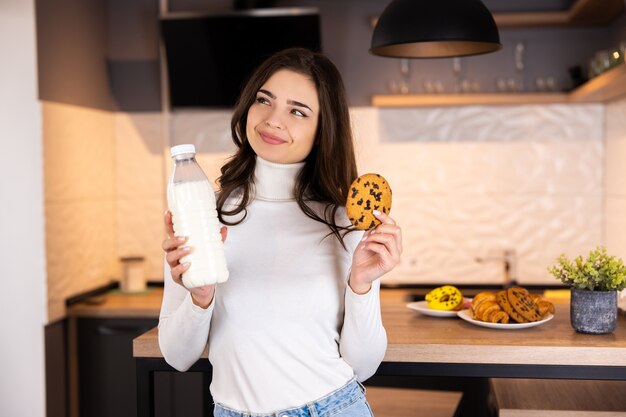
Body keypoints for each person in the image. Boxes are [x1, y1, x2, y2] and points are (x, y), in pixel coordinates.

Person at [159, 47, 403, 417]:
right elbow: (177, 357)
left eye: (297, 111)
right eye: (264, 100)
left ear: (323, 130)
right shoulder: (202, 215)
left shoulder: (346, 223)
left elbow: (363, 366)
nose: (273, 120)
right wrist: (200, 299)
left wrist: (361, 285)